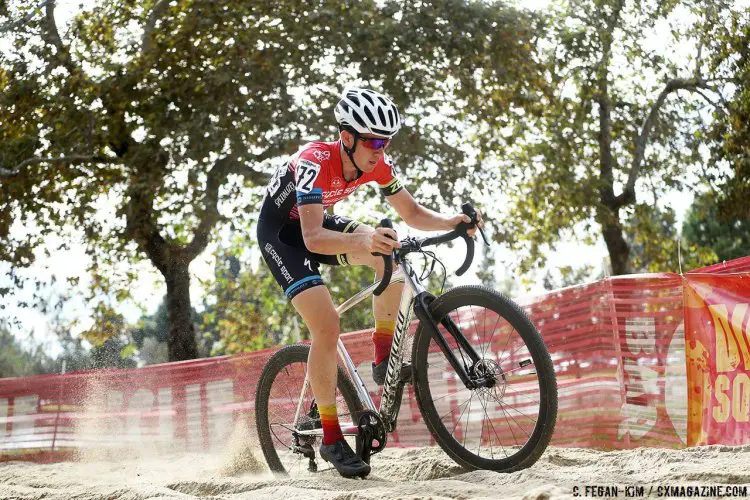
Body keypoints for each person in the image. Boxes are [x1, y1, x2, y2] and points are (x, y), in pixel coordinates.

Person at [257, 87, 483, 478]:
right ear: (347, 137)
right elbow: (310, 238)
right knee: (326, 324)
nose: (380, 150)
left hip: (318, 224)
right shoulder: (313, 161)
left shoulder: (377, 164)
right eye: (373, 141)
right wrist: (364, 239)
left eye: (386, 141)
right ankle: (330, 437)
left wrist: (452, 222)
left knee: (390, 256)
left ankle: (382, 359)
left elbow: (409, 210)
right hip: (283, 237)